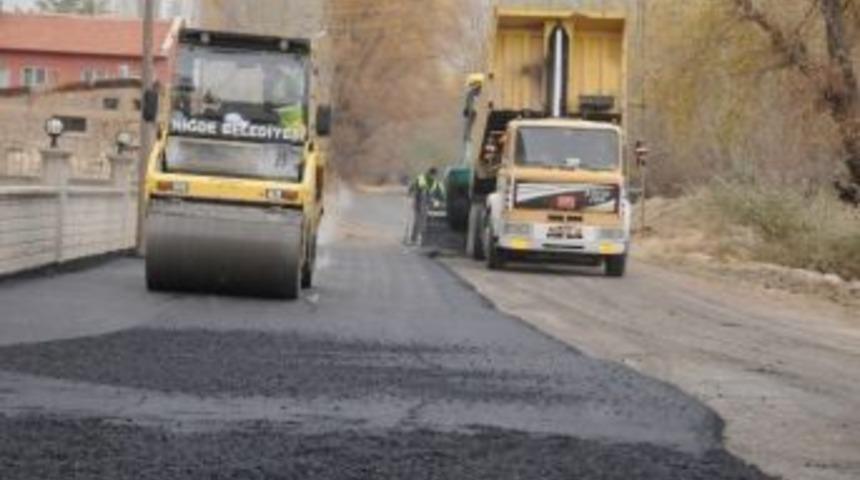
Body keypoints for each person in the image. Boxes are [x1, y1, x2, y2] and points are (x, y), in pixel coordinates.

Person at [407, 167, 444, 244]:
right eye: (434, 175)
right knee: (418, 221)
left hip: (426, 204)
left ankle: (419, 239)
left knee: (422, 222)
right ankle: (414, 239)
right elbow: (412, 188)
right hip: (419, 203)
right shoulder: (421, 179)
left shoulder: (435, 182)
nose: (434, 177)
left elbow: (440, 194)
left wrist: (439, 201)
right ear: (431, 174)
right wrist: (411, 194)